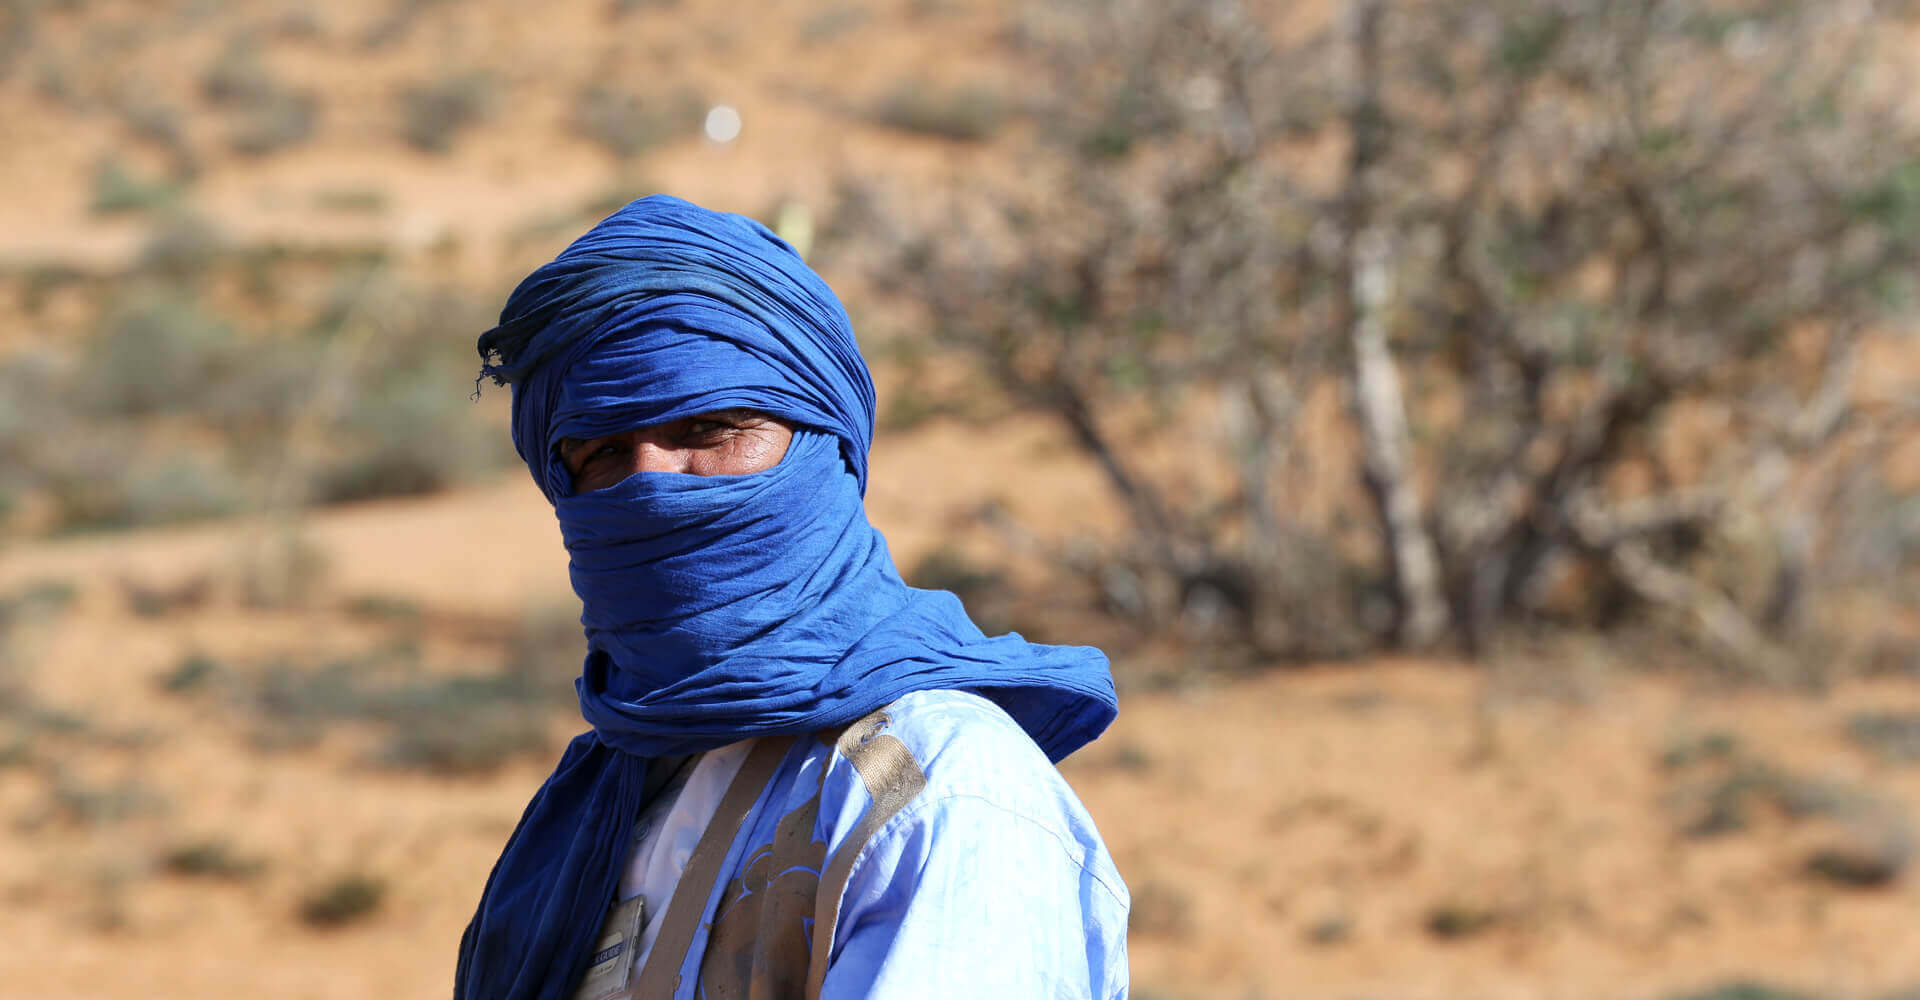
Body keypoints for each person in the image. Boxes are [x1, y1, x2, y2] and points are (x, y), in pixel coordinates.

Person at [455, 195, 1129, 1000]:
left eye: (710, 429)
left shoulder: (937, 794)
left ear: (822, 449)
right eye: (602, 451)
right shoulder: (606, 792)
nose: (651, 483)